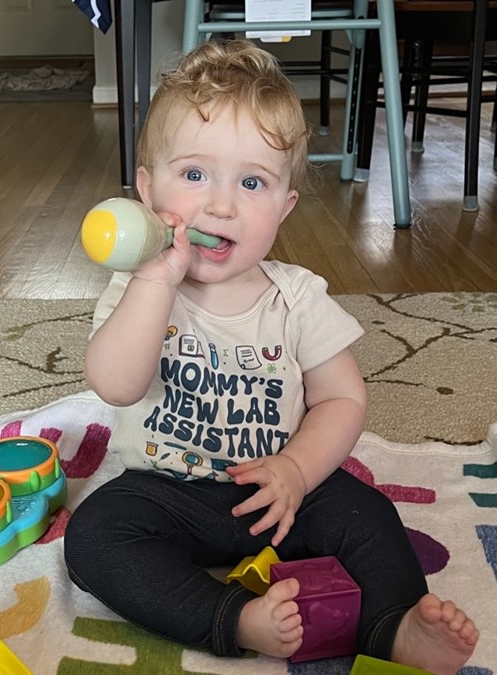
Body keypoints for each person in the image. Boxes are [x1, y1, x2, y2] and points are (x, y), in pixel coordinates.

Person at [64, 39, 478, 672]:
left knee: (365, 513)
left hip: (280, 491)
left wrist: (298, 470)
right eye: (195, 175)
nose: (221, 204)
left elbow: (343, 398)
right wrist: (156, 280)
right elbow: (115, 385)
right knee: (94, 537)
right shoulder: (138, 288)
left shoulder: (297, 297)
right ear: (147, 192)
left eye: (251, 182)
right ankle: (231, 618)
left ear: (284, 207)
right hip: (164, 490)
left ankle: (394, 628)